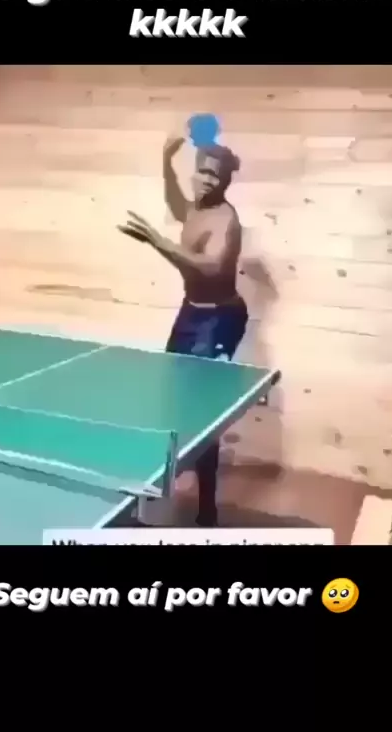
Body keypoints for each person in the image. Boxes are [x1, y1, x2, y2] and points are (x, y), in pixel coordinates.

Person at [118, 134, 248, 526]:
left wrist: (157, 241)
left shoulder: (227, 222)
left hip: (220, 319)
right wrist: (165, 162)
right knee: (173, 399)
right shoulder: (195, 208)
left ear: (226, 182)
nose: (207, 181)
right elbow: (174, 201)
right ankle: (163, 487)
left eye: (215, 177)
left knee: (202, 412)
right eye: (202, 172)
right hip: (191, 312)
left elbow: (209, 267)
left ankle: (207, 509)